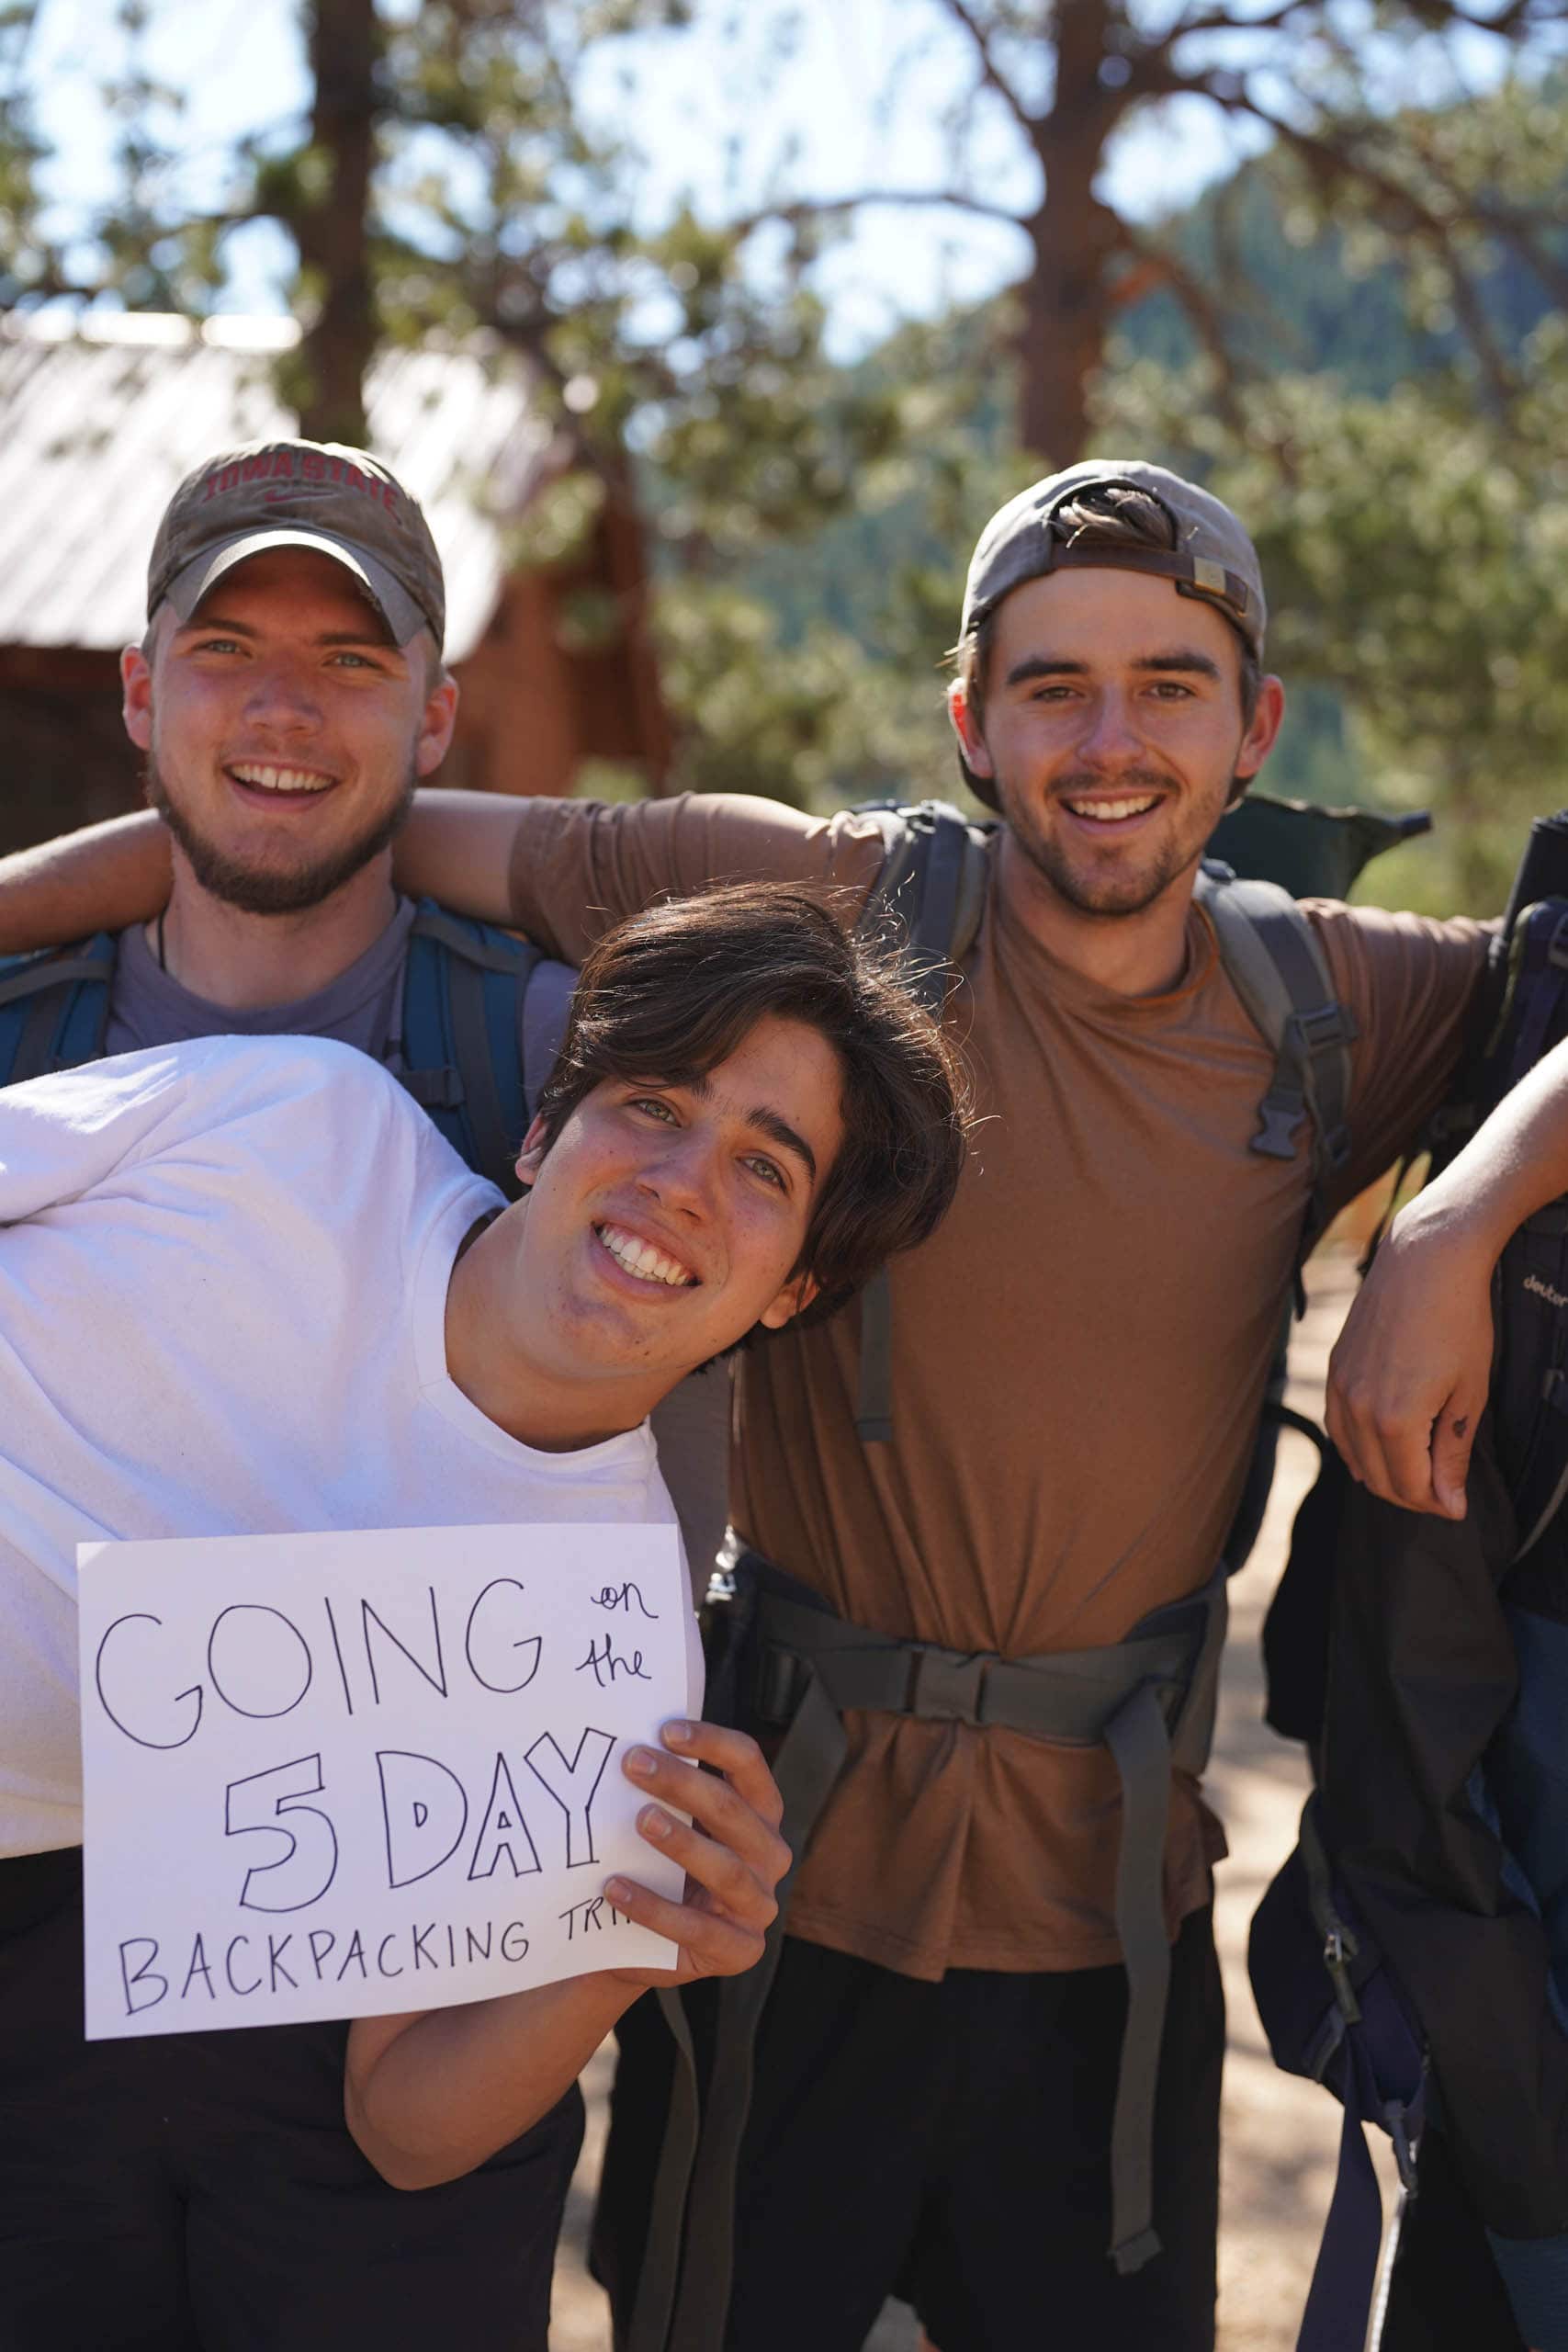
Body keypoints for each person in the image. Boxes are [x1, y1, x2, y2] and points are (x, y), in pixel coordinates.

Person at [0, 459, 1547, 2352]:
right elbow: (349, 823)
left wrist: (1456, 1218)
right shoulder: (815, 894)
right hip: (789, 1861)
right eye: (1050, 682)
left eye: (1168, 681)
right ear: (967, 719)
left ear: (1257, 729)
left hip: (1107, 1896)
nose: (1109, 735)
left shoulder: (1335, 997)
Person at [0, 878, 971, 2352]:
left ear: (796, 1288)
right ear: (540, 1131)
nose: (681, 1182)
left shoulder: (607, 1651)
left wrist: (639, 1936)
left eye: (764, 1170)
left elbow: (404, 2126)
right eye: (652, 1103)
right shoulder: (290, 1117)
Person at [0, 433, 732, 1580]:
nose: (283, 710)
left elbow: (645, 1531)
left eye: (349, 663)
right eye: (226, 648)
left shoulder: (553, 1061)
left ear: (435, 720)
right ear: (142, 692)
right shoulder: (18, 1047)